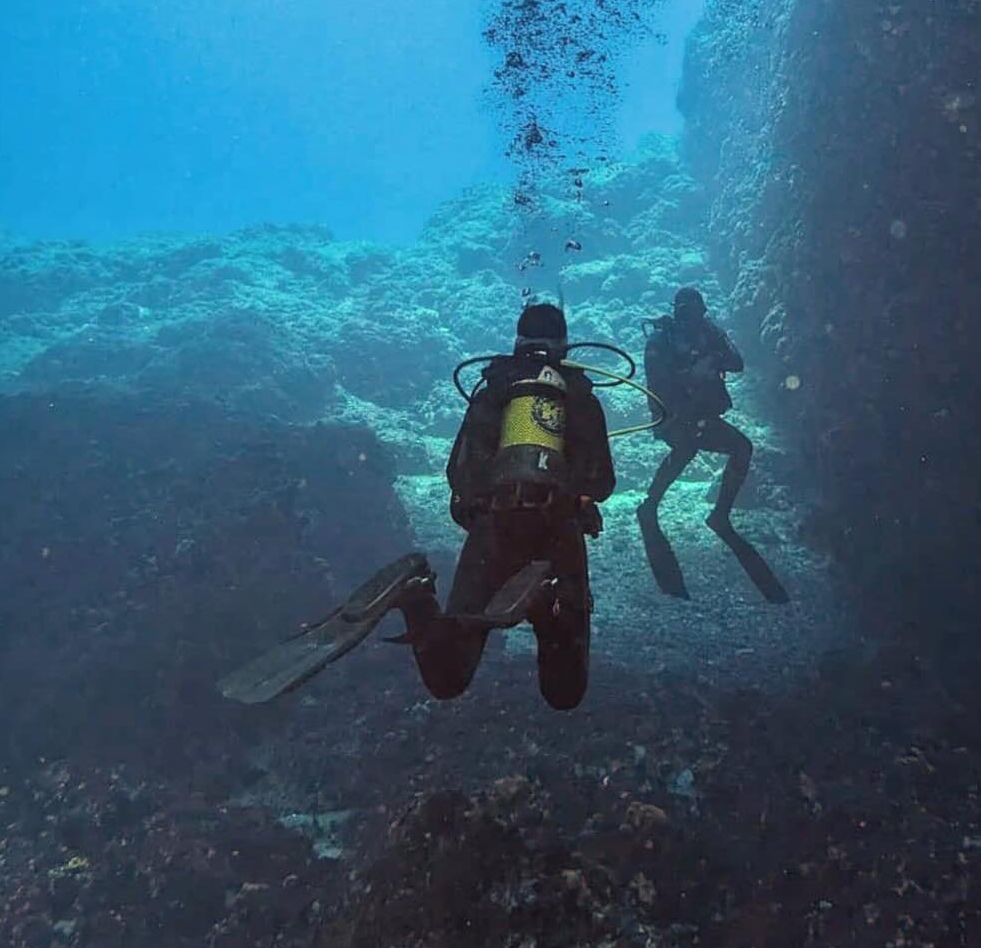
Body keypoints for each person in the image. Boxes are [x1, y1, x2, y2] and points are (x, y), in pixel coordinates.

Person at [218, 301, 615, 711]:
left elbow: (460, 474)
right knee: (564, 692)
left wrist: (486, 509)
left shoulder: (494, 388)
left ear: (517, 343)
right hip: (556, 537)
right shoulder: (580, 395)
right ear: (564, 346)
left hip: (493, 534)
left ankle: (416, 594)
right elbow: (602, 481)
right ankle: (545, 606)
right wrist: (577, 500)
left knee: (448, 679)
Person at [636, 287, 787, 603]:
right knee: (686, 448)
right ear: (676, 313)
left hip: (702, 414)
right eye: (685, 313)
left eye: (696, 313)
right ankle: (650, 506)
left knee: (739, 448)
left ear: (702, 312)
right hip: (673, 415)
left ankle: (718, 515)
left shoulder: (710, 332)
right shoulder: (660, 340)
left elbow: (737, 363)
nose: (692, 319)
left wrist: (711, 356)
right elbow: (657, 383)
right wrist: (688, 380)